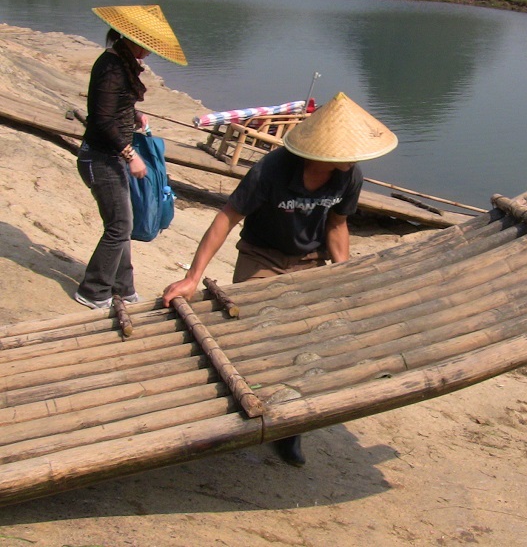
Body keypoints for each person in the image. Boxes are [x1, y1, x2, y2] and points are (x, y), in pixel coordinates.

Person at [162, 92, 398, 466]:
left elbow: (337, 224)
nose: (353, 159)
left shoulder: (348, 175)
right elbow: (227, 217)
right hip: (262, 256)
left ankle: (289, 430)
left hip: (308, 262)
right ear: (323, 151)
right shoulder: (271, 170)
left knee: (299, 347)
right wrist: (193, 278)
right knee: (250, 336)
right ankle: (238, 411)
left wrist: (343, 274)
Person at [74, 5, 187, 309]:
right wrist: (131, 154)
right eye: (147, 45)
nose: (149, 52)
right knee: (119, 226)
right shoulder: (111, 67)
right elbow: (101, 118)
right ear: (130, 38)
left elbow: (113, 107)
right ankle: (93, 290)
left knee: (123, 222)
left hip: (111, 157)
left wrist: (133, 114)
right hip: (100, 158)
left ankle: (123, 288)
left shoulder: (121, 63)